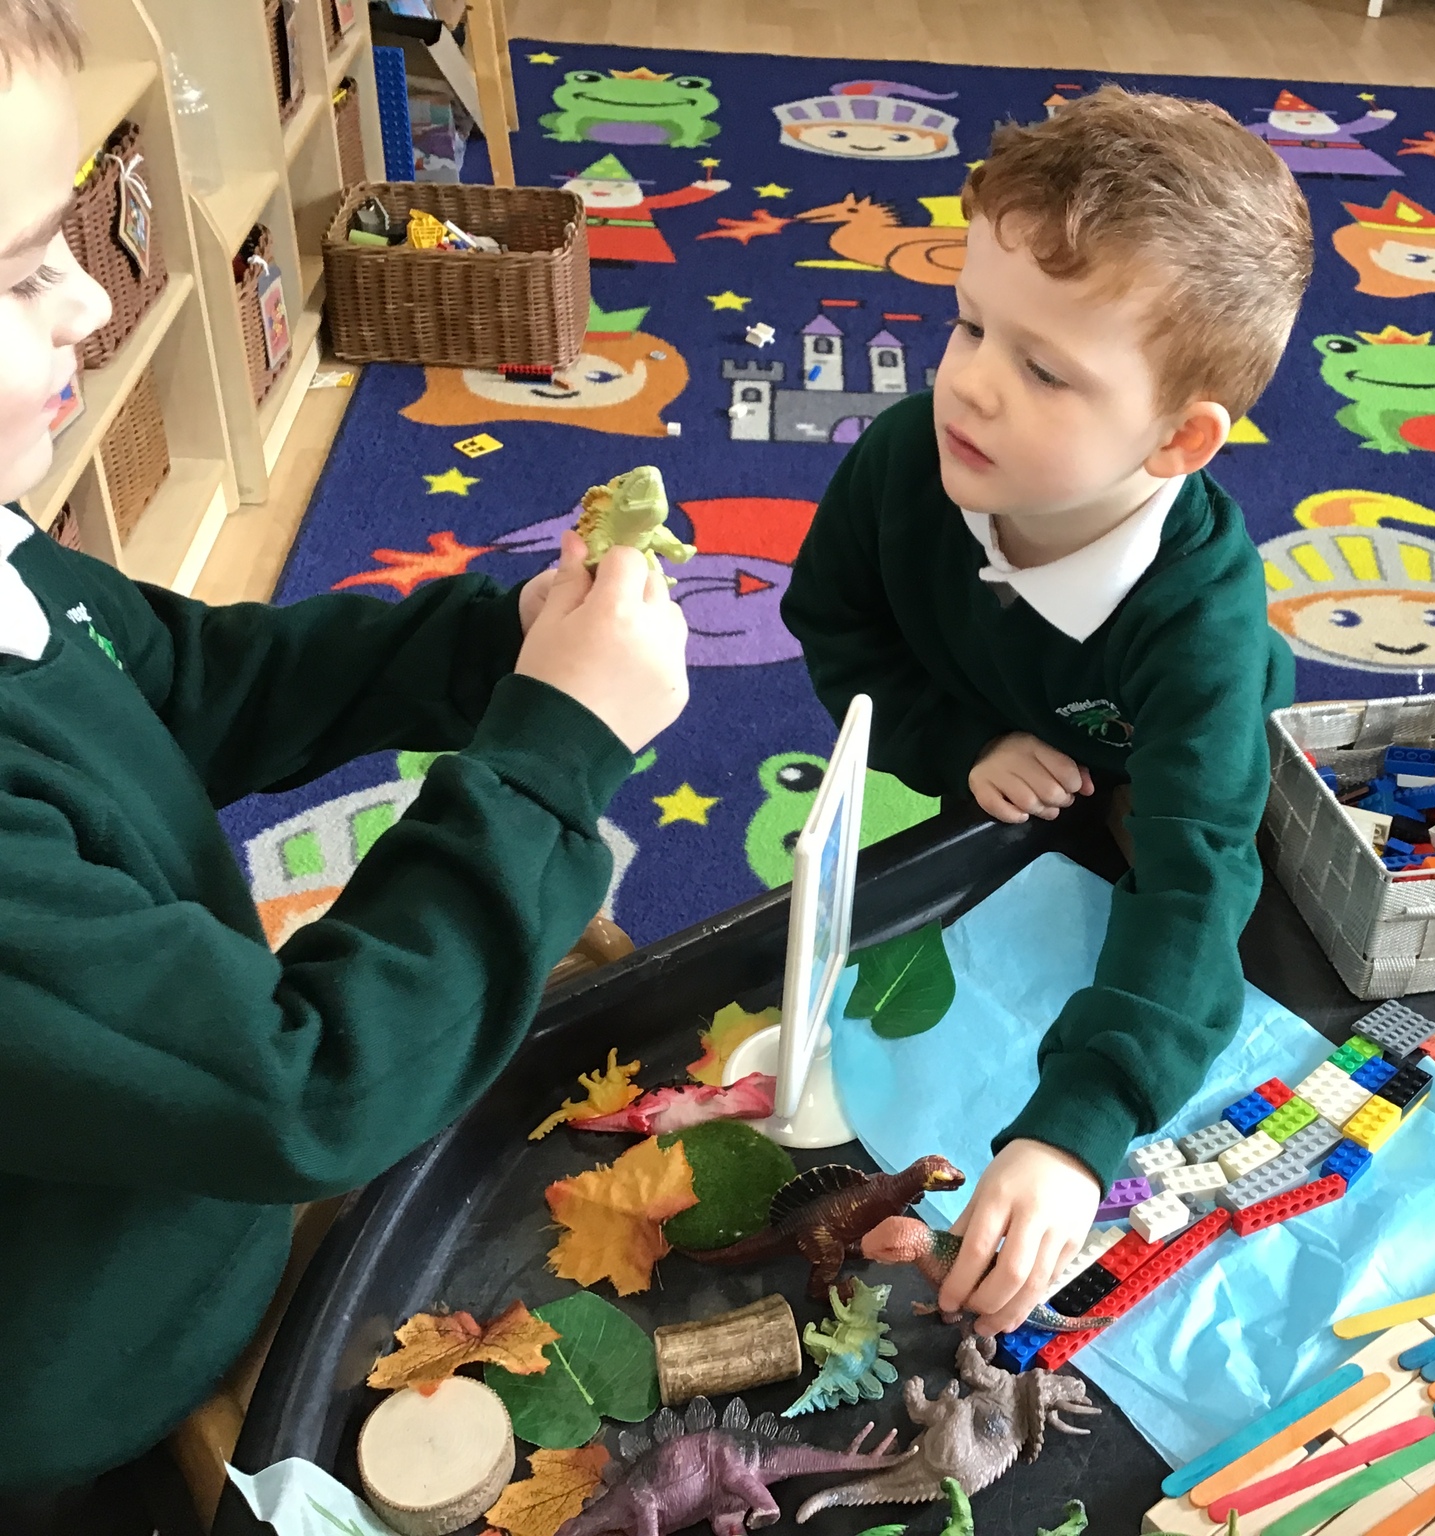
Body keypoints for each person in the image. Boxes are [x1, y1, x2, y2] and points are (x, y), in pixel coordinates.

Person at [0, 0, 690, 1509]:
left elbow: (192, 682)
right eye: (21, 268)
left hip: (167, 1183)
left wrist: (489, 647)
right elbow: (305, 1087)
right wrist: (551, 756)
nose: (87, 301)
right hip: (88, 1383)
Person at [782, 86, 1307, 1337]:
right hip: (1000, 773)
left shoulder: (1204, 627)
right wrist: (956, 745)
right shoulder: (903, 461)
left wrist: (1077, 1132)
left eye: (1041, 369)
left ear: (1178, 441)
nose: (967, 385)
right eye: (969, 324)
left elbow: (1194, 878)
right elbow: (836, 630)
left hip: (1173, 790)